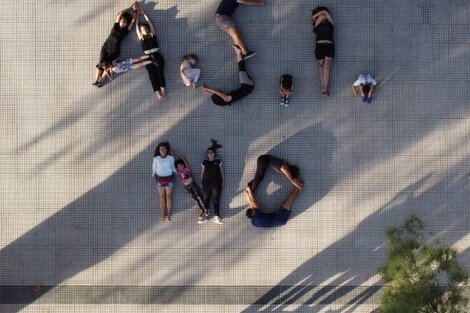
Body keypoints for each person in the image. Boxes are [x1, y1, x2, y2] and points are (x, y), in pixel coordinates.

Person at [93, 2, 137, 87]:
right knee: (100, 64)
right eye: (123, 21)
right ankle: (96, 80)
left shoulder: (126, 31)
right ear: (120, 20)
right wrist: (131, 8)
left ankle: (100, 82)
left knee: (107, 67)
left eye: (125, 23)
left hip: (114, 52)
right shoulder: (115, 26)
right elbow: (120, 14)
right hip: (105, 47)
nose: (124, 23)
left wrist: (136, 11)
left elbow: (133, 21)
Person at [135, 5, 167, 100]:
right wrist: (137, 15)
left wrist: (144, 13)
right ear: (141, 31)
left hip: (157, 55)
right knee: (152, 76)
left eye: (145, 28)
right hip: (148, 58)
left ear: (148, 29)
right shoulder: (141, 37)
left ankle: (163, 91)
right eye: (142, 29)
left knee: (160, 74)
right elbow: (136, 26)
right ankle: (158, 93)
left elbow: (149, 22)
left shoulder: (152, 34)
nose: (144, 29)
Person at [174, 158, 209, 224]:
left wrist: (177, 154)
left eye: (181, 165)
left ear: (183, 165)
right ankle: (201, 210)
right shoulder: (179, 172)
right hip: (187, 187)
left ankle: (205, 208)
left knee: (199, 196)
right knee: (195, 198)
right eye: (178, 166)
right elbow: (174, 168)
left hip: (192, 184)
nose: (180, 167)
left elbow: (184, 160)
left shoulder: (186, 169)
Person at [312, 6, 334, 96]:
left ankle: (324, 87)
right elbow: (316, 17)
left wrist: (324, 12)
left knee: (327, 67)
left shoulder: (331, 23)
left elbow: (327, 16)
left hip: (329, 46)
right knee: (322, 68)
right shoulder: (316, 24)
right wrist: (322, 14)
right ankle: (324, 88)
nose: (323, 17)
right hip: (319, 46)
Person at [201, 140, 225, 224]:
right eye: (208, 152)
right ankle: (205, 215)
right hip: (206, 183)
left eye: (211, 152)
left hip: (216, 183)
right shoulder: (204, 161)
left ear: (214, 153)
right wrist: (201, 182)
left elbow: (222, 171)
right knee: (206, 199)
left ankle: (216, 216)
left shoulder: (218, 161)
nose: (210, 154)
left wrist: (223, 181)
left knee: (216, 199)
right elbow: (202, 172)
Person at [152, 142, 177, 221]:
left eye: (164, 149)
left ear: (166, 150)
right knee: (161, 197)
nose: (162, 150)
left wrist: (176, 174)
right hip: (159, 179)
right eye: (161, 149)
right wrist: (154, 176)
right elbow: (154, 169)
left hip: (169, 178)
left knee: (169, 197)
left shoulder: (170, 158)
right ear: (159, 150)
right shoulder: (156, 159)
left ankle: (169, 214)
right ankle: (163, 214)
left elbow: (173, 168)